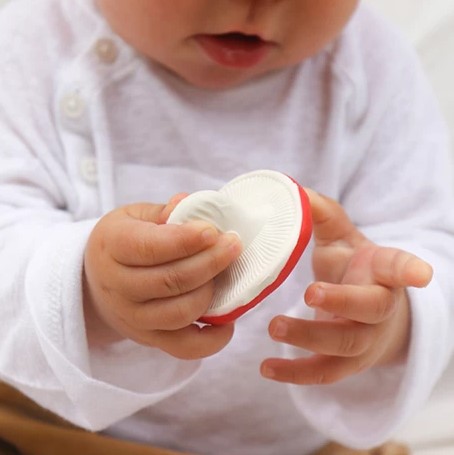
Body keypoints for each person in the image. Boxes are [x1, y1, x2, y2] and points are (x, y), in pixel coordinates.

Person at [0, 0, 453, 454]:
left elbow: (430, 245)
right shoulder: (30, 43)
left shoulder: (372, 65)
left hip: (301, 445)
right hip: (58, 432)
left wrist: (391, 321)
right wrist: (88, 291)